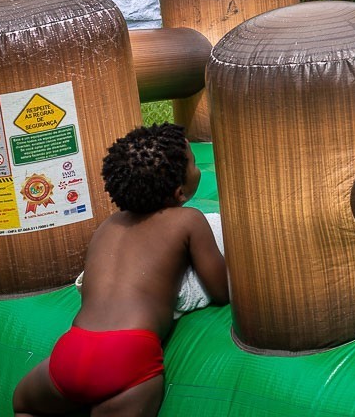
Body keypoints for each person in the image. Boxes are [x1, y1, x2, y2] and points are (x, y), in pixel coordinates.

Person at [12, 123, 228, 417]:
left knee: (25, 405)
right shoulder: (188, 220)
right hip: (129, 355)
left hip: (73, 349)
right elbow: (221, 291)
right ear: (179, 191)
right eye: (193, 162)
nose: (197, 166)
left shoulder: (108, 226)